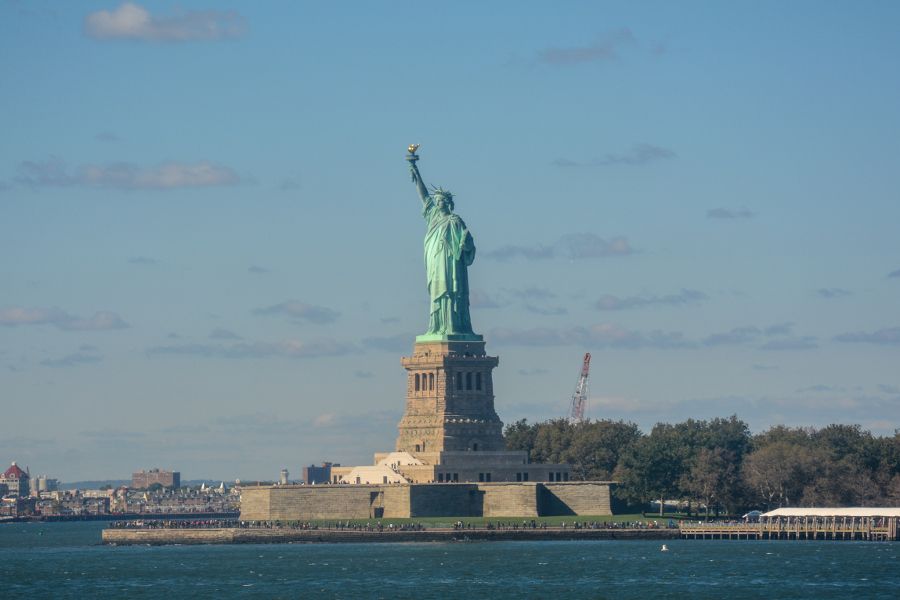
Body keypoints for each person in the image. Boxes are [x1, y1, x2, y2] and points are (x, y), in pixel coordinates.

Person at [409, 157, 476, 337]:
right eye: (436, 201)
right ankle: (438, 326)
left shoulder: (455, 221)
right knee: (438, 292)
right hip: (436, 262)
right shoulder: (432, 217)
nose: (437, 204)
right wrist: (416, 172)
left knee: (453, 291)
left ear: (447, 203)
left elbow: (469, 245)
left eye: (440, 201)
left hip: (452, 263)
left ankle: (455, 325)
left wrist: (466, 242)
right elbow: (423, 197)